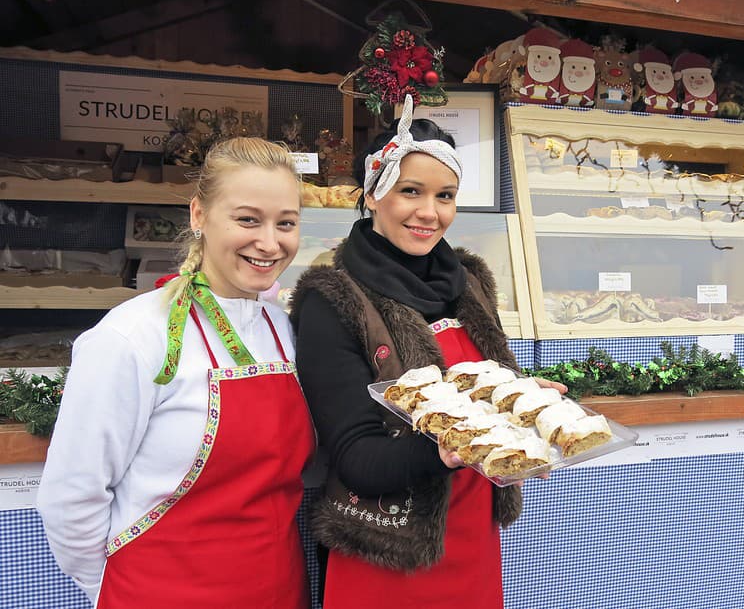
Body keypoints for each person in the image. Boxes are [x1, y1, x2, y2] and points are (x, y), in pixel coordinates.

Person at [291, 94, 563, 608]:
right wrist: (445, 447)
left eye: (446, 196)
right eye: (410, 191)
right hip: (388, 553)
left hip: (473, 536)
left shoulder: (470, 282)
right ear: (373, 194)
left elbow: (485, 390)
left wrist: (523, 406)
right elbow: (355, 457)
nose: (429, 212)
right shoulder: (333, 299)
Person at [37, 137, 315, 609]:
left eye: (285, 223)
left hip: (277, 588)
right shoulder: (132, 337)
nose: (269, 242)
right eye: (248, 219)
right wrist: (116, 591)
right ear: (199, 216)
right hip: (161, 591)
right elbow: (72, 497)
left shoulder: (284, 329)